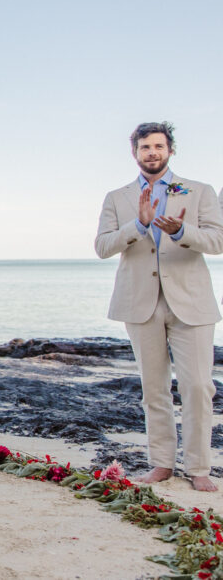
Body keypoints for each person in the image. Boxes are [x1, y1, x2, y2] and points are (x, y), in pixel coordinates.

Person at [95, 122, 223, 492]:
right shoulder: (116, 197)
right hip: (140, 304)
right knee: (154, 389)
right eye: (145, 147)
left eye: (159, 146)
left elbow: (217, 240)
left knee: (198, 386)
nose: (152, 152)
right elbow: (103, 247)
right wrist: (139, 224)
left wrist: (181, 232)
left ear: (170, 150)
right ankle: (162, 463)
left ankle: (199, 467)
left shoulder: (200, 191)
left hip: (192, 302)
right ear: (135, 153)